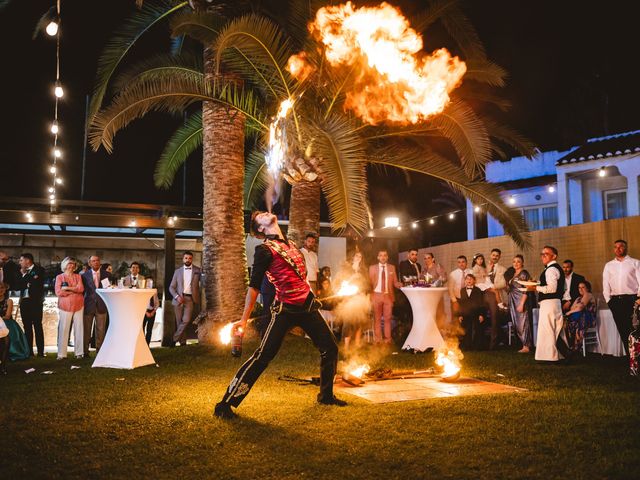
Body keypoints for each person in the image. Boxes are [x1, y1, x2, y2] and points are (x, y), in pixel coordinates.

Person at [213, 211, 343, 419]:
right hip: (285, 311)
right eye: (260, 217)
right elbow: (254, 288)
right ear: (261, 229)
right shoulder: (264, 250)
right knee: (263, 356)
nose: (266, 213)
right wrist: (244, 320)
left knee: (330, 348)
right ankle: (225, 404)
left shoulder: (291, 245)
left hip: (306, 308)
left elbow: (300, 279)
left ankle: (326, 396)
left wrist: (311, 299)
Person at [528, 245, 572, 362]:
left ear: (554, 256)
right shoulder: (553, 269)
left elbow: (552, 288)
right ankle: (562, 355)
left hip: (550, 302)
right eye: (542, 254)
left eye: (546, 254)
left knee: (549, 330)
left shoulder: (551, 269)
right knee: (554, 329)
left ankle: (553, 356)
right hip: (554, 302)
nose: (543, 256)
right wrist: (537, 283)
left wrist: (535, 288)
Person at [602, 239, 640, 356]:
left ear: (626, 248)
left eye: (621, 247)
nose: (618, 249)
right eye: (615, 247)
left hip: (632, 300)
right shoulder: (609, 265)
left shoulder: (635, 262)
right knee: (622, 329)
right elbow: (605, 284)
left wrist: (639, 299)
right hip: (615, 301)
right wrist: (609, 301)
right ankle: (630, 358)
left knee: (635, 329)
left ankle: (637, 356)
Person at [335, 252, 371, 352]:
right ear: (353, 257)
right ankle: (346, 346)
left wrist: (365, 294)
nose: (358, 258)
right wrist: (352, 279)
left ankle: (357, 344)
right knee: (348, 322)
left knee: (359, 321)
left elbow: (367, 284)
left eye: (360, 256)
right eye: (356, 255)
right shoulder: (347, 268)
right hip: (349, 298)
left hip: (360, 297)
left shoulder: (363, 270)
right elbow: (341, 281)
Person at [15, 253, 46, 357]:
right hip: (24, 302)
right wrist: (25, 277)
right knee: (27, 326)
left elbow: (36, 283)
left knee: (37, 325)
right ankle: (29, 351)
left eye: (21, 260)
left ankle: (40, 351)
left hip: (36, 302)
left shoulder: (39, 270)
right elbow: (18, 285)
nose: (20, 262)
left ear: (27, 260)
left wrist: (25, 277)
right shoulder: (20, 272)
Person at [54, 257, 85, 360]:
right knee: (63, 328)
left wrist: (67, 288)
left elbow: (81, 289)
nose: (71, 266)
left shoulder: (78, 276)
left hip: (79, 304)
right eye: (69, 264)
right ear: (65, 265)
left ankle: (79, 353)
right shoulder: (59, 277)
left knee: (79, 328)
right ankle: (61, 354)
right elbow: (59, 292)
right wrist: (74, 290)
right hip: (65, 306)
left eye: (73, 264)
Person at [369, 250, 401, 345]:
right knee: (377, 319)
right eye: (381, 255)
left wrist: (399, 284)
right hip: (376, 295)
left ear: (387, 257)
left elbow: (395, 282)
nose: (383, 257)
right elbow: (369, 283)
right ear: (378, 257)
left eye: (385, 255)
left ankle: (388, 340)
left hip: (388, 296)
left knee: (387, 319)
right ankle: (378, 340)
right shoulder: (372, 268)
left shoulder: (392, 267)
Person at [169, 251, 201, 346]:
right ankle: (183, 342)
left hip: (190, 299)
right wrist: (177, 296)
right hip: (178, 299)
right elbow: (171, 287)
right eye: (186, 258)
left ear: (192, 259)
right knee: (179, 321)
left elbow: (204, 281)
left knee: (186, 320)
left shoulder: (198, 270)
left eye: (190, 258)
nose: (188, 260)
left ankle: (174, 339)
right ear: (183, 259)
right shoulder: (177, 271)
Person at [81, 255, 110, 355]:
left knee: (101, 331)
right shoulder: (84, 275)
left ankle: (100, 352)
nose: (96, 262)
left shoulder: (107, 274)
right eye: (93, 261)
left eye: (97, 260)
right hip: (88, 305)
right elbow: (82, 291)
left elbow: (109, 289)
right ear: (89, 263)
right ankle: (85, 352)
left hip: (102, 305)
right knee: (86, 330)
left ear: (100, 262)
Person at [507, 255, 534, 353]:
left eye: (518, 261)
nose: (516, 263)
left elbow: (527, 289)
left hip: (520, 301)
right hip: (514, 302)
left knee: (523, 323)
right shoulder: (514, 273)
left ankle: (526, 346)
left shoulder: (523, 273)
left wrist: (522, 303)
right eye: (514, 261)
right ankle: (522, 344)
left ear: (522, 263)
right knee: (517, 324)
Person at [0, 282, 29, 361]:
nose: (0, 290)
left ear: (5, 289)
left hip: (7, 323)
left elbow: (8, 316)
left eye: (2, 288)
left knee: (9, 335)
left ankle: (10, 353)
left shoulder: (9, 301)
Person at [564, 281, 596, 351]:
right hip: (578, 318)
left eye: (583, 287)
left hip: (588, 319)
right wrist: (577, 307)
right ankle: (573, 345)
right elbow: (573, 308)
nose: (580, 289)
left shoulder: (588, 294)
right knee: (568, 322)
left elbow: (580, 308)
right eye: (579, 288)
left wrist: (569, 312)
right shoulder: (578, 298)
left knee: (580, 316)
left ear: (587, 288)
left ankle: (576, 345)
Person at [457, 274, 485, 350]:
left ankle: (476, 347)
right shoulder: (462, 290)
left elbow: (481, 303)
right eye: (467, 279)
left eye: (471, 279)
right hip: (466, 313)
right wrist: (460, 315)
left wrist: (481, 314)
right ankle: (466, 346)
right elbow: (461, 303)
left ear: (474, 281)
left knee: (476, 329)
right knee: (466, 329)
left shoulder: (478, 290)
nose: (469, 280)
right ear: (465, 281)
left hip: (475, 313)